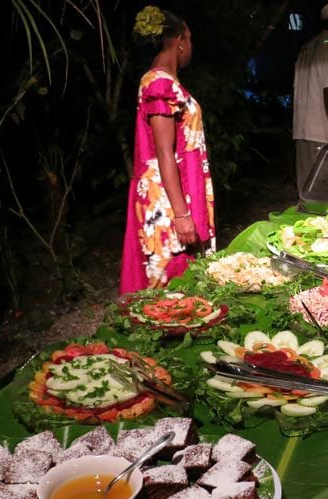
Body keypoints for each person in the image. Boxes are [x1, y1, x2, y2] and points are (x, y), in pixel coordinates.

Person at [120, 7, 215, 294]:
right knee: (168, 286)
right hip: (166, 199)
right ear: (180, 41)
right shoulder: (159, 84)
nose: (191, 47)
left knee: (183, 284)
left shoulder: (166, 82)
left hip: (179, 190)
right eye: (190, 39)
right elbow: (163, 152)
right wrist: (182, 214)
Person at [293, 2, 328, 191]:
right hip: (321, 132)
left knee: (306, 191)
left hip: (301, 130)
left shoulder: (306, 47)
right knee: (321, 194)